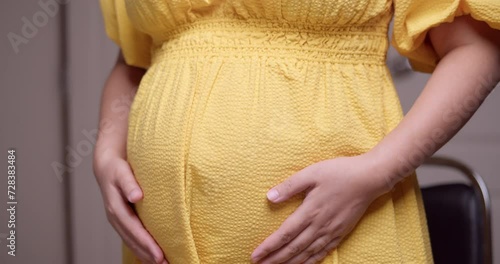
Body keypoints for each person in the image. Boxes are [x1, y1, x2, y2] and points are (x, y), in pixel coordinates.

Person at [93, 0, 500, 263]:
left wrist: (379, 170)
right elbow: (136, 59)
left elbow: (477, 46)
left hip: (336, 238)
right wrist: (107, 148)